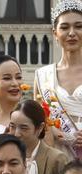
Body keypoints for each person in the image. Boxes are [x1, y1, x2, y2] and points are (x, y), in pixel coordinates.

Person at [35, 2, 82, 160]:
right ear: (55, 33)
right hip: (58, 156)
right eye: (64, 27)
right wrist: (51, 130)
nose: (71, 33)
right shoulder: (42, 75)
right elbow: (39, 121)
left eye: (78, 26)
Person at [8, 98, 72, 174]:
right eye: (12, 126)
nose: (16, 134)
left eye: (23, 128)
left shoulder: (57, 159)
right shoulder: (6, 156)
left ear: (40, 128)